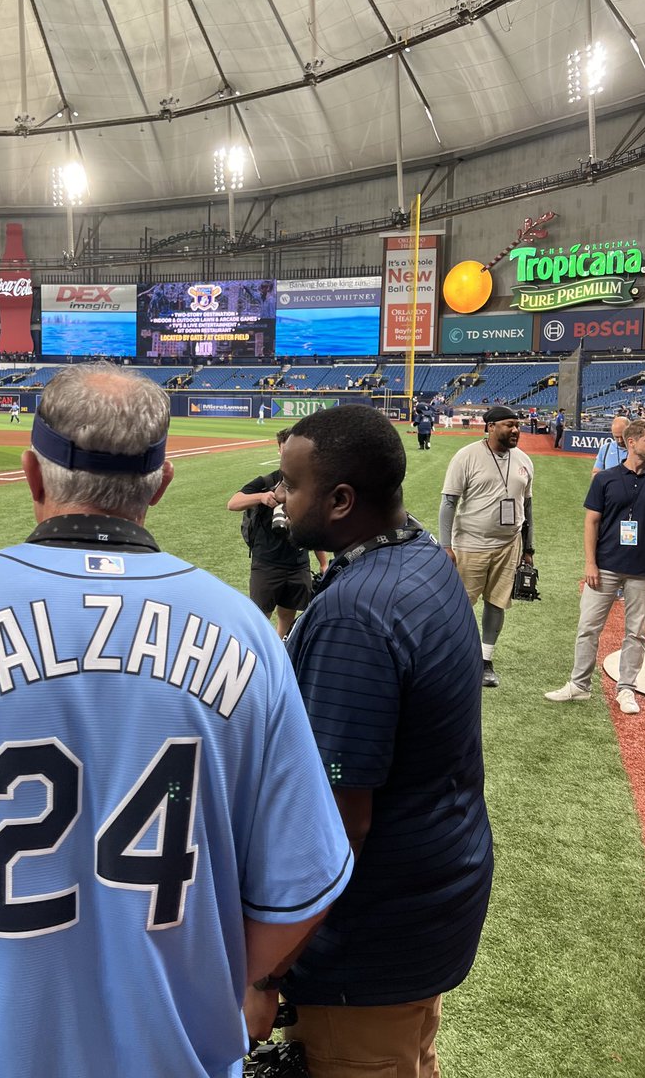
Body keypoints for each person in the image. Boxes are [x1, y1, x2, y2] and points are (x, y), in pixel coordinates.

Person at [0, 365, 353, 1078]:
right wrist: (216, 997)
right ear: (160, 484)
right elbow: (302, 893)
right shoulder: (248, 634)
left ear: (31, 474)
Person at [247, 404, 492, 1078]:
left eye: (291, 485)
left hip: (371, 937)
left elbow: (338, 822)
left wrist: (267, 971)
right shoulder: (421, 554)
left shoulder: (355, 614)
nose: (280, 497)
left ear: (340, 500)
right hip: (432, 895)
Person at [545, 418, 645, 715]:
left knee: (636, 633)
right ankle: (579, 685)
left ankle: (627, 688)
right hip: (605, 566)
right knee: (588, 627)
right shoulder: (605, 479)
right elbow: (591, 522)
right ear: (631, 442)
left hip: (644, 570)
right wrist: (590, 563)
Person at [439, 405, 535, 688]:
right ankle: (456, 655)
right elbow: (448, 503)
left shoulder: (524, 460)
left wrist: (528, 548)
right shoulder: (466, 456)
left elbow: (527, 506)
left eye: (517, 425)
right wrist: (446, 545)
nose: (515, 430)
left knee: (497, 602)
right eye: (509, 425)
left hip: (509, 545)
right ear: (491, 427)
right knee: (460, 604)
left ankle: (485, 659)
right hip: (471, 544)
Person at [227, 429, 327, 639]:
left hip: (298, 564)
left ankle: (280, 649)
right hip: (267, 563)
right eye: (285, 448)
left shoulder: (308, 484)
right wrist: (261, 497)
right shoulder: (266, 481)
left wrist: (323, 563)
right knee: (260, 618)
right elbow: (233, 503)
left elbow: (313, 525)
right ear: (280, 450)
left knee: (287, 617)